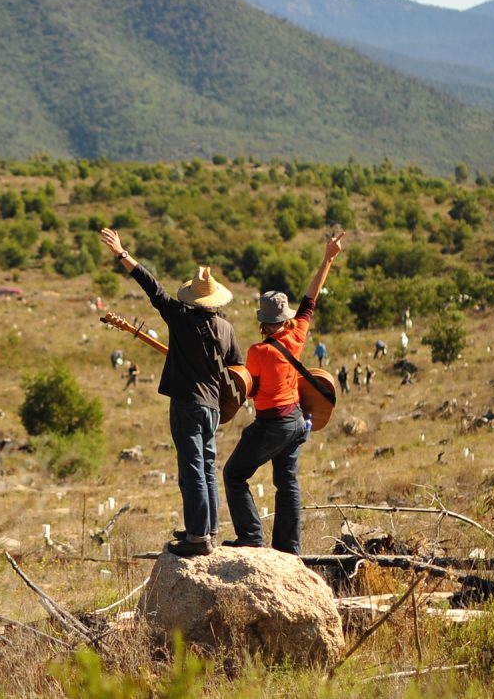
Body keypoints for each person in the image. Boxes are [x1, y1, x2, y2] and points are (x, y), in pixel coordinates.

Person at [100, 227, 244, 557]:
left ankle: (196, 537)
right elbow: (238, 370)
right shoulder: (226, 328)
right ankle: (208, 529)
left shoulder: (180, 317)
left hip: (188, 404)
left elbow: (153, 288)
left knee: (192, 468)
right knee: (207, 467)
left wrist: (123, 254)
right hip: (213, 408)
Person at [222, 232, 345, 556]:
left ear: (263, 320)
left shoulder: (257, 351)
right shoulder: (298, 335)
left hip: (271, 423)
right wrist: (328, 258)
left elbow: (252, 391)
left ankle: (250, 537)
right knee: (287, 482)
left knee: (234, 475)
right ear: (284, 317)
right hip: (296, 422)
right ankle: (288, 549)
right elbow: (310, 299)